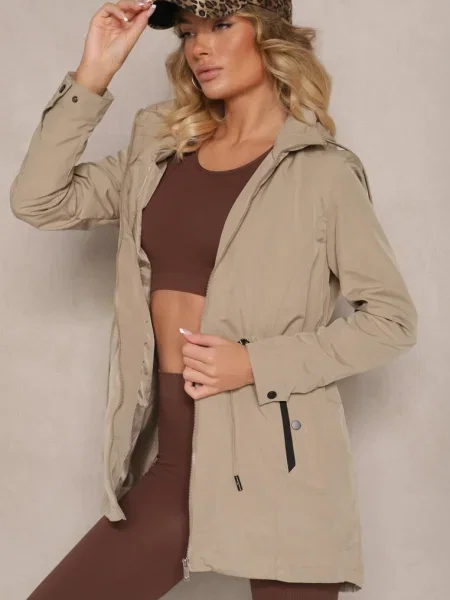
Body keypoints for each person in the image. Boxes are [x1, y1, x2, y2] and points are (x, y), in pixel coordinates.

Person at [10, 0, 418, 598]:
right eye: (187, 33)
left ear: (269, 34)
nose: (199, 47)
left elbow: (391, 321)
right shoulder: (161, 152)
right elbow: (39, 200)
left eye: (221, 25)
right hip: (177, 460)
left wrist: (254, 362)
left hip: (282, 463)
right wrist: (93, 75)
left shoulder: (322, 173)